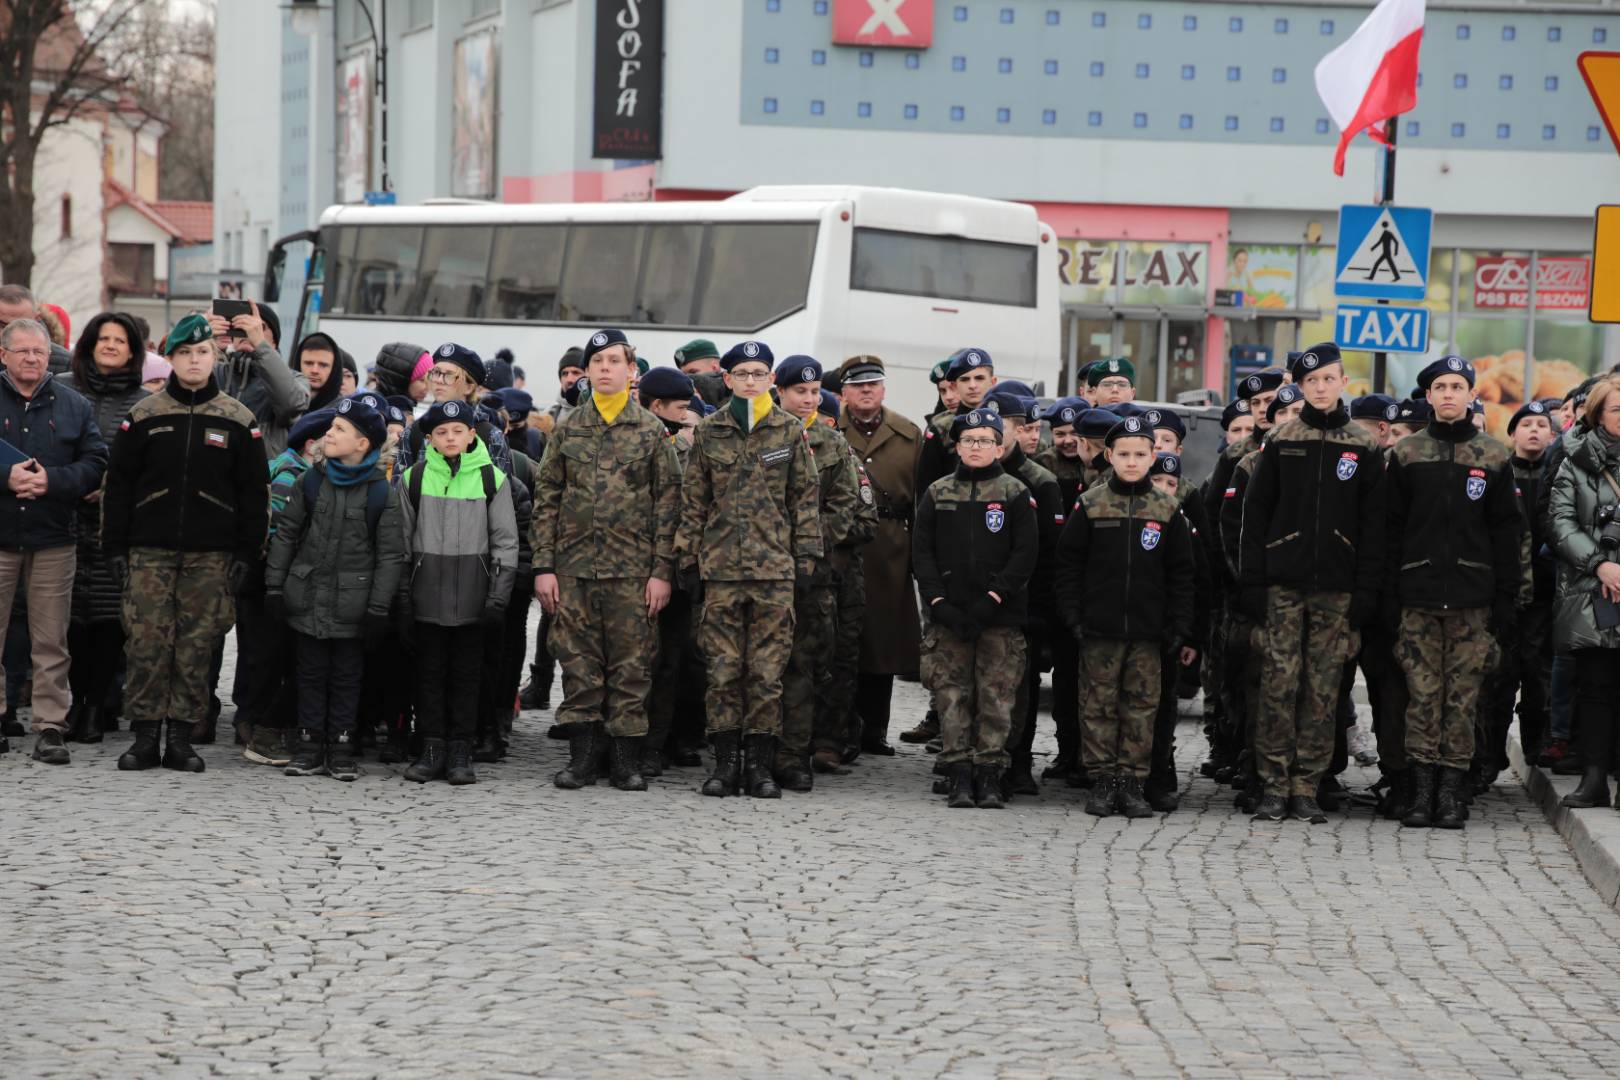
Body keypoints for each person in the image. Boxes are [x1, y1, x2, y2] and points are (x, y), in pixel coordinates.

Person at [101, 314, 268, 773]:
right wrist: (113, 547)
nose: (195, 361)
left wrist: (247, 553)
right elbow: (118, 487)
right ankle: (145, 736)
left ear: (215, 357)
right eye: (185, 353)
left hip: (212, 555)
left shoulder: (239, 420)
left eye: (203, 352)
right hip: (148, 551)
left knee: (197, 645)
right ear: (170, 358)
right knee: (146, 642)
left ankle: (181, 737)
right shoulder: (145, 416)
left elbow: (255, 494)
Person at [1239, 345, 1385, 824]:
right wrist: (1253, 582)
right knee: (1278, 685)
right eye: (1311, 381)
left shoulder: (1362, 445)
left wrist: (1366, 590)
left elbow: (1374, 524)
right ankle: (1273, 785)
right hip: (1283, 585)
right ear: (1300, 388)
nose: (1321, 387)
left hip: (1338, 588)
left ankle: (1306, 786)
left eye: (1328, 379)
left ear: (1344, 382)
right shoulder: (1282, 439)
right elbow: (1255, 515)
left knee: (1323, 691)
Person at [533, 329, 680, 792]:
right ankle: (583, 758)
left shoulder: (651, 431)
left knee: (632, 668)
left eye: (614, 361)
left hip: (633, 572)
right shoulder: (568, 428)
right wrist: (544, 566)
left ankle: (624, 760)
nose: (604, 368)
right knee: (578, 664)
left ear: (631, 371)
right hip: (573, 570)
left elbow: (668, 505)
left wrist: (661, 572)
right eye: (597, 361)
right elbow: (547, 498)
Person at [675, 340, 821, 799]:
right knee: (722, 672)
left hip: (774, 571)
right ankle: (725, 764)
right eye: (742, 374)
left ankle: (758, 765)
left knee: (766, 674)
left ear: (771, 380)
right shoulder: (710, 432)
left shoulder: (789, 431)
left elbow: (804, 499)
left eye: (759, 374)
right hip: (721, 570)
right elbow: (694, 500)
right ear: (728, 379)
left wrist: (806, 560)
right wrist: (687, 558)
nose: (751, 381)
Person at [1384, 356, 1522, 829]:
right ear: (1428, 395)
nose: (1448, 394)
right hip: (1417, 596)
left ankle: (1451, 793)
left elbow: (1507, 532)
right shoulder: (1407, 453)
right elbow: (1390, 528)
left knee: (1462, 699)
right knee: (1422, 697)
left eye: (1457, 386)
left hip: (1472, 599)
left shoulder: (1493, 455)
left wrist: (1506, 598)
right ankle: (1421, 791)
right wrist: (1388, 595)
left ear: (1470, 395)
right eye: (1440, 387)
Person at [1056, 416, 1195, 818]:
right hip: (1099, 629)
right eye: (1124, 454)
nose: (1131, 462)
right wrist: (1074, 617)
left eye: (1139, 454)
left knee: (1141, 707)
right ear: (1110, 456)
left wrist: (1178, 625)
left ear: (1153, 457)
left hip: (1149, 633)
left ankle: (1132, 781)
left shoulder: (1167, 509)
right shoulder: (1091, 504)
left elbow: (1182, 574)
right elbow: (1068, 565)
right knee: (1097, 706)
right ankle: (1103, 780)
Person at [264, 398, 404, 780]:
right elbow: (286, 535)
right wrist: (275, 586)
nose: (329, 433)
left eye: (340, 429)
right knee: (309, 673)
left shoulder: (381, 493)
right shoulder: (310, 481)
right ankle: (309, 746)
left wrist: (378, 608)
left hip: (353, 606)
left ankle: (341, 748)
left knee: (346, 677)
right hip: (308, 597)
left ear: (363, 443)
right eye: (331, 427)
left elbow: (390, 556)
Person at [913, 409, 1037, 808]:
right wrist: (938, 602)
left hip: (999, 617)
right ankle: (958, 772)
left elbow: (1025, 554)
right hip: (949, 616)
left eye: (985, 440)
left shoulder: (1015, 492)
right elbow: (922, 552)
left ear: (999, 447)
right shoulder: (938, 492)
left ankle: (989, 772)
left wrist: (993, 599)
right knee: (952, 696)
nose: (976, 447)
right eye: (968, 440)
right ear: (957, 447)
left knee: (996, 697)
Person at [0, 317, 109, 765]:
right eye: (22, 350)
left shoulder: (74, 404)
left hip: (53, 536)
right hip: (0, 534)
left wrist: (53, 481)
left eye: (39, 351)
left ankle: (50, 726)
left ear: (50, 355)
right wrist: (4, 477)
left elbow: (96, 462)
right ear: (3, 354)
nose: (31, 358)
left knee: (51, 638)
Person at [398, 399, 519, 785]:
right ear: (430, 439)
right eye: (441, 432)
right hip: (427, 597)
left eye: (457, 431)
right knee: (429, 674)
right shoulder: (414, 478)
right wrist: (403, 596)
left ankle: (461, 749)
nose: (450, 438)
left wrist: (497, 597)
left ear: (471, 435)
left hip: (473, 597)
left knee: (468, 676)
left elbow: (505, 542)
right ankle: (432, 746)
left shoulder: (492, 479)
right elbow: (400, 543)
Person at [61, 313, 148, 745]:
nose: (111, 345)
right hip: (63, 517)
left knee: (109, 618)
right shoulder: (62, 390)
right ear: (89, 344)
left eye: (120, 340)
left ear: (133, 351)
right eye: (104, 338)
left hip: (116, 525)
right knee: (69, 618)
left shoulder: (145, 403)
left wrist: (109, 487)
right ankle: (74, 702)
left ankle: (98, 705)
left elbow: (148, 464)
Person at [773, 356, 859, 791]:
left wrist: (805, 544)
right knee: (759, 666)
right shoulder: (763, 435)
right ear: (780, 392)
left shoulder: (833, 444)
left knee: (803, 668)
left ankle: (792, 756)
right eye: (799, 392)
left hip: (812, 573)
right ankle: (755, 750)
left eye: (813, 392)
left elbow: (845, 507)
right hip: (762, 568)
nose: (808, 400)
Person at [834, 355, 921, 754]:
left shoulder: (908, 433)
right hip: (844, 543)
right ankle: (841, 727)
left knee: (883, 640)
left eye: (873, 383)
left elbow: (920, 498)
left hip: (891, 548)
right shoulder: (829, 429)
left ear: (884, 389)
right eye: (857, 385)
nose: (866, 390)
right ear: (844, 392)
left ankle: (875, 729)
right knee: (843, 639)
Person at [1547, 376, 1620, 809]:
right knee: (1595, 686)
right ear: (1597, 415)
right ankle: (1593, 778)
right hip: (1593, 590)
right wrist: (1600, 564)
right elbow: (1560, 523)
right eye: (1618, 410)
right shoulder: (1574, 461)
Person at [1477, 400, 1556, 780]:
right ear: (1512, 434)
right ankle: (1491, 755)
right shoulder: (1500, 473)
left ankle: (1535, 746)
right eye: (1526, 424)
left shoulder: (1556, 476)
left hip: (1545, 593)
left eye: (1542, 424)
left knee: (1538, 673)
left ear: (1552, 435)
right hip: (1504, 591)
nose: (1534, 430)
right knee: (1500, 676)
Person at [206, 300, 310, 458]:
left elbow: (292, 405)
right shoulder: (215, 372)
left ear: (274, 342)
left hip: (264, 470)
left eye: (259, 327)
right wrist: (200, 339)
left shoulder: (295, 379)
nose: (248, 331)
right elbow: (178, 388)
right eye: (241, 325)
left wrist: (260, 346)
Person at [916, 348, 996, 493]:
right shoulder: (940, 428)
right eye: (965, 379)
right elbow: (926, 485)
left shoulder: (1005, 423)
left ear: (993, 382)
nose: (972, 385)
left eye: (979, 378)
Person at [0, 285, 72, 374]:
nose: (10, 333)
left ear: (36, 318)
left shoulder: (64, 362)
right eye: (2, 325)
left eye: (21, 325)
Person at [546, 347, 588, 425]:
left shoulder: (602, 413)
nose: (569, 379)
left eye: (576, 373)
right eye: (565, 374)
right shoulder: (550, 416)